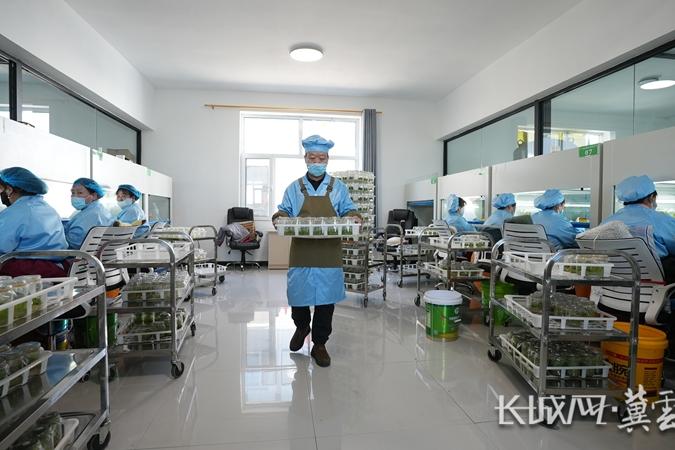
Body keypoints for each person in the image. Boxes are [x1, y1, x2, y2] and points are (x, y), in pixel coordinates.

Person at [272, 135, 361, 367]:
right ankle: (302, 327)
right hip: (301, 251)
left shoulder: (338, 187)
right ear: (305, 158)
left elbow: (349, 210)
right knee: (298, 296)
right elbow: (284, 210)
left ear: (328, 159)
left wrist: (353, 216)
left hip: (328, 252)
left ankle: (320, 344)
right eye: (313, 158)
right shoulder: (294, 188)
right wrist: (279, 217)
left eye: (321, 158)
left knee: (326, 301)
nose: (317, 162)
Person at [603, 175, 675, 281]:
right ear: (651, 197)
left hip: (617, 281)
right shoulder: (661, 219)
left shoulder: (607, 222)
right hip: (656, 281)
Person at [0, 167, 69, 277]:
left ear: (9, 190)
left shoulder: (14, 212)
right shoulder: (48, 208)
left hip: (30, 270)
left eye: (1, 189)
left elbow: (2, 247)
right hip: (58, 268)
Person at [64, 177, 114, 249]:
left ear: (94, 196)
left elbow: (73, 243)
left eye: (80, 193)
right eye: (73, 193)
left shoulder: (91, 215)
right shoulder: (101, 210)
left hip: (77, 254)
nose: (74, 196)